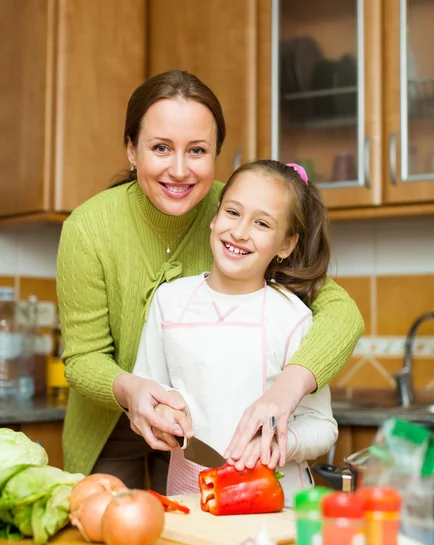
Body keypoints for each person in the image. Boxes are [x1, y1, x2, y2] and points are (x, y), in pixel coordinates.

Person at [57, 70, 364, 491]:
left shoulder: (236, 206)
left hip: (201, 440)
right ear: (131, 150)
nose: (180, 170)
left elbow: (339, 312)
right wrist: (131, 390)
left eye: (197, 150)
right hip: (109, 424)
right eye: (161, 147)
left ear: (217, 153)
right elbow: (82, 357)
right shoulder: (88, 229)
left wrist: (286, 390)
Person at [132, 159, 338, 503]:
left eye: (261, 223)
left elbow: (323, 425)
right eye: (232, 213)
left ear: (286, 245)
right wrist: (161, 416)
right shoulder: (169, 302)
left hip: (276, 505)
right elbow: (148, 388)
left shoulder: (292, 318)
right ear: (214, 217)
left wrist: (281, 444)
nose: (240, 232)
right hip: (191, 500)